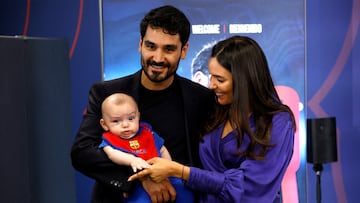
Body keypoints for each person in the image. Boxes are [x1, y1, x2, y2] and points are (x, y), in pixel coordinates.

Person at [70, 5, 215, 203]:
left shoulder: (202, 98)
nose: (157, 58)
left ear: (184, 50)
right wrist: (141, 178)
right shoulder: (107, 93)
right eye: (150, 46)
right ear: (140, 44)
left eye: (169, 49)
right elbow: (82, 153)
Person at [128, 35, 296, 203]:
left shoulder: (277, 122)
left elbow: (248, 188)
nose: (211, 85)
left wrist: (181, 171)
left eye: (220, 79)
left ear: (244, 81)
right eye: (212, 76)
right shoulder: (216, 110)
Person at [99, 93, 193, 202]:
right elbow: (112, 154)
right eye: (116, 121)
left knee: (186, 192)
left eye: (131, 118)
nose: (125, 125)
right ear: (104, 124)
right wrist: (132, 160)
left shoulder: (148, 133)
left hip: (164, 175)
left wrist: (168, 167)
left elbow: (162, 149)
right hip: (138, 182)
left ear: (138, 116)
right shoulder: (110, 140)